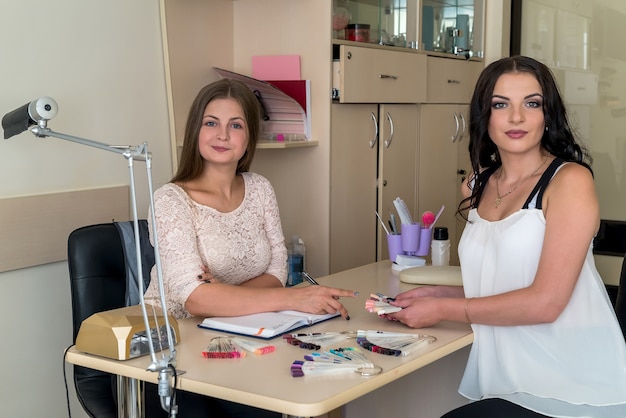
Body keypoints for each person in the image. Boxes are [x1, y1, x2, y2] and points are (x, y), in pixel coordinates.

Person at [383, 56, 626, 417]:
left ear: (548, 114)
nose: (516, 118)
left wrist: (445, 308)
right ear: (486, 115)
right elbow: (504, 283)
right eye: (501, 105)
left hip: (573, 387)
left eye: (531, 103)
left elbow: (546, 302)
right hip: (507, 383)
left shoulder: (569, 181)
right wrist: (439, 294)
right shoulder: (477, 186)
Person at [144, 78, 356, 417]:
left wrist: (221, 295)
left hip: (240, 335)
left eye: (236, 125)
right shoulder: (171, 200)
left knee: (316, 385)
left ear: (249, 138)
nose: (222, 135)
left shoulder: (259, 189)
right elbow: (194, 300)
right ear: (195, 130)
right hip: (176, 351)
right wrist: (290, 297)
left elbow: (276, 270)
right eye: (211, 122)